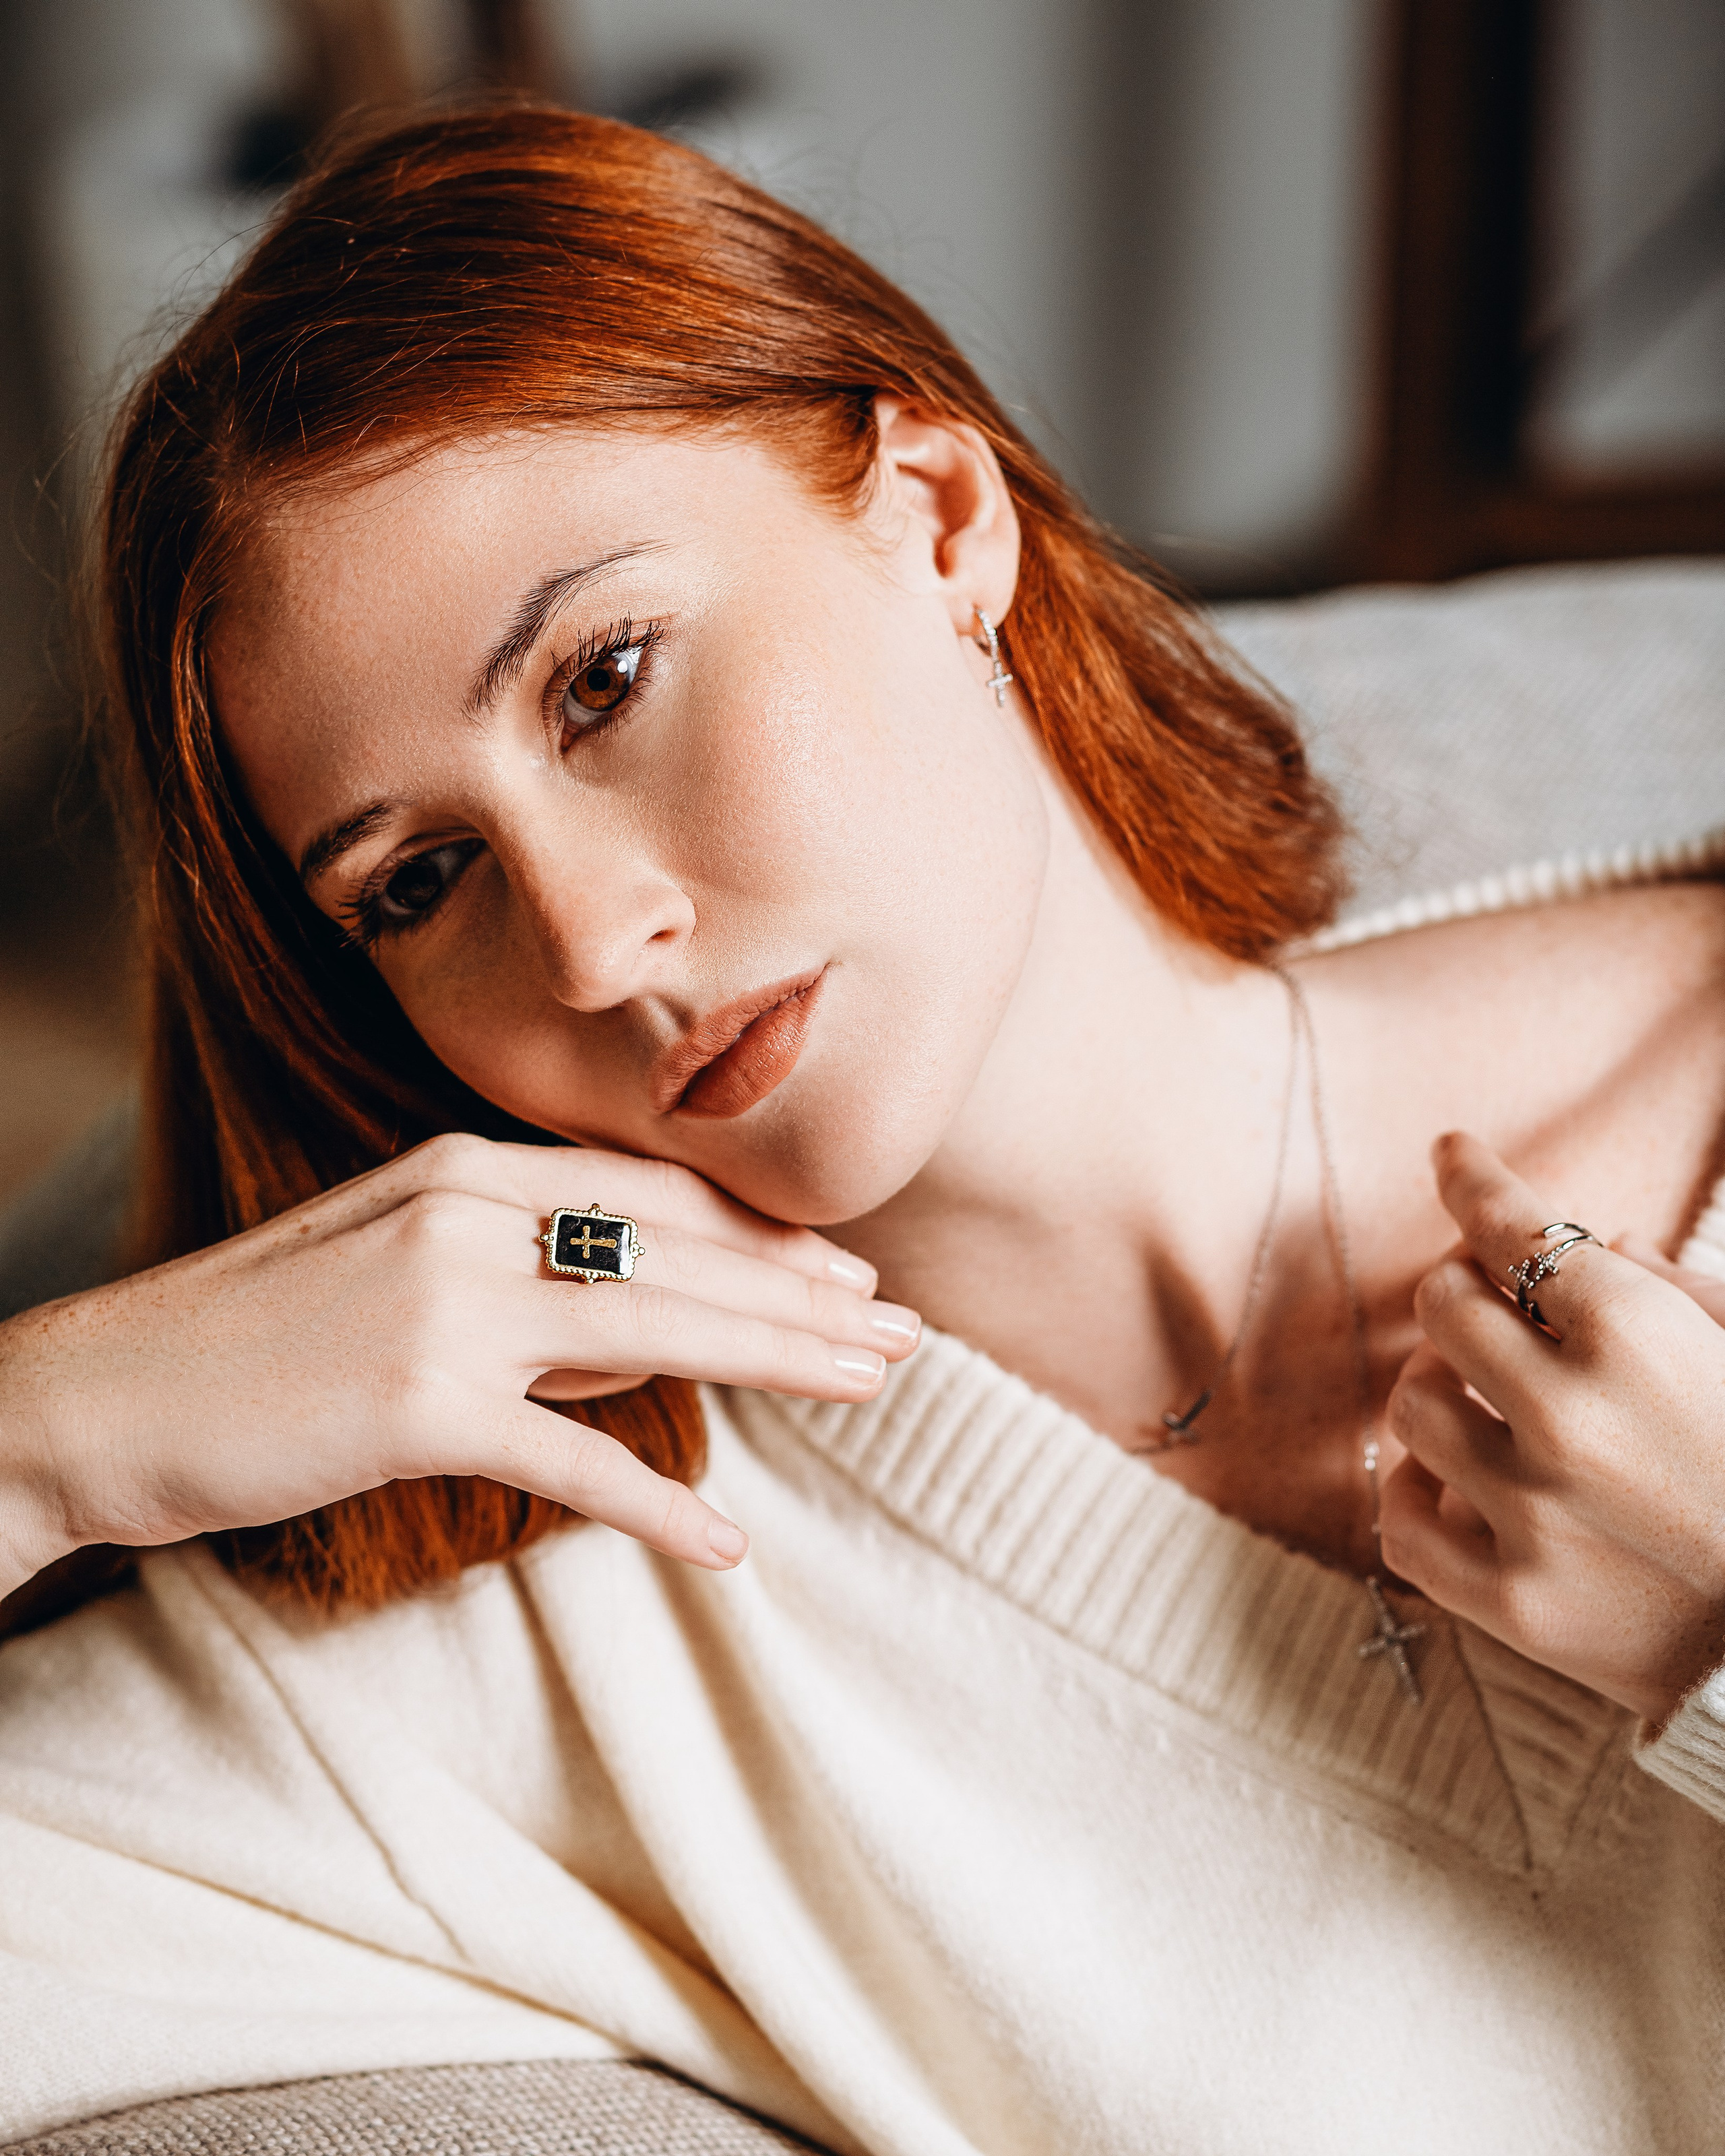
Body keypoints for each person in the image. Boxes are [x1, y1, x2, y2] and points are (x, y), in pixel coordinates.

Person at [3, 102, 1725, 2153]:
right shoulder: (531, 1630)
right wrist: (45, 1434)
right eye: (416, 882)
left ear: (935, 514)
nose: (590, 939)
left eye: (604, 676)